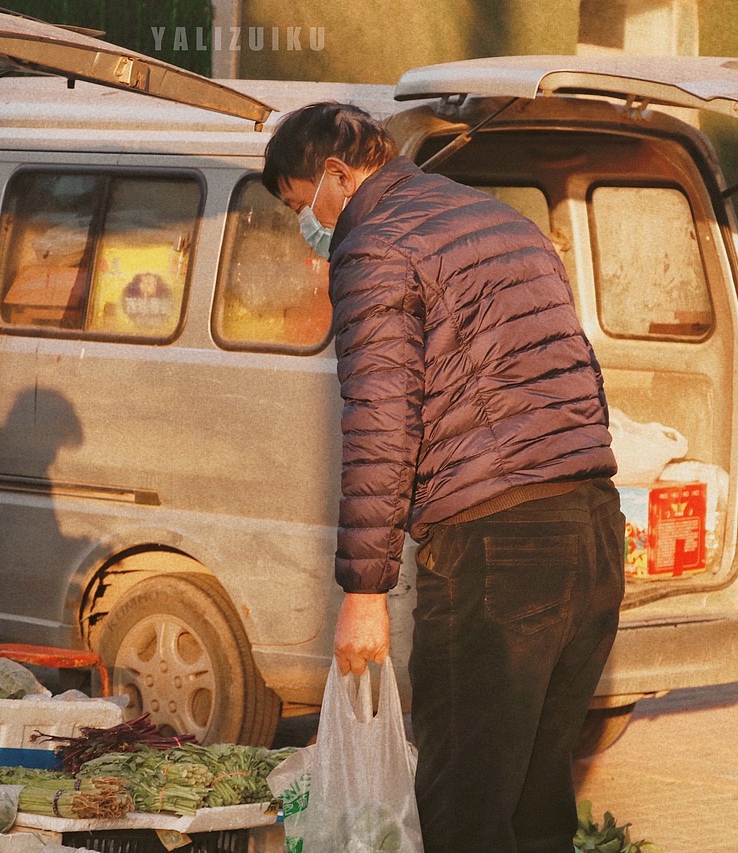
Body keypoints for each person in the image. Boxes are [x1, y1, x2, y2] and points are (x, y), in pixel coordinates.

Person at [262, 103, 625, 853]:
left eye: (302, 204)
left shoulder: (376, 245)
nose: (311, 223)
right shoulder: (497, 219)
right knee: (537, 807)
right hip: (592, 533)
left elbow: (380, 419)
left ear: (336, 173)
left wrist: (363, 591)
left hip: (498, 553)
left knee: (464, 812)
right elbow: (579, 373)